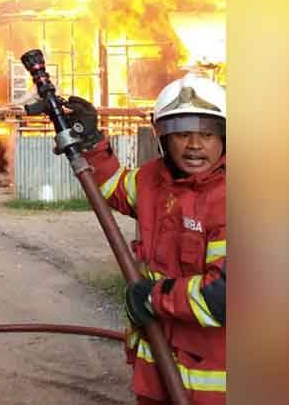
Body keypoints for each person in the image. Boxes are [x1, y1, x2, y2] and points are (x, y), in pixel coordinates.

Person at [64, 74, 227, 404]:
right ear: (164, 138)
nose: (195, 144)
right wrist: (92, 143)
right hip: (156, 373)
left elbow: (222, 297)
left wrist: (151, 298)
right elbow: (114, 189)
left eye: (207, 134)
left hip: (214, 386)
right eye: (182, 134)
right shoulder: (154, 180)